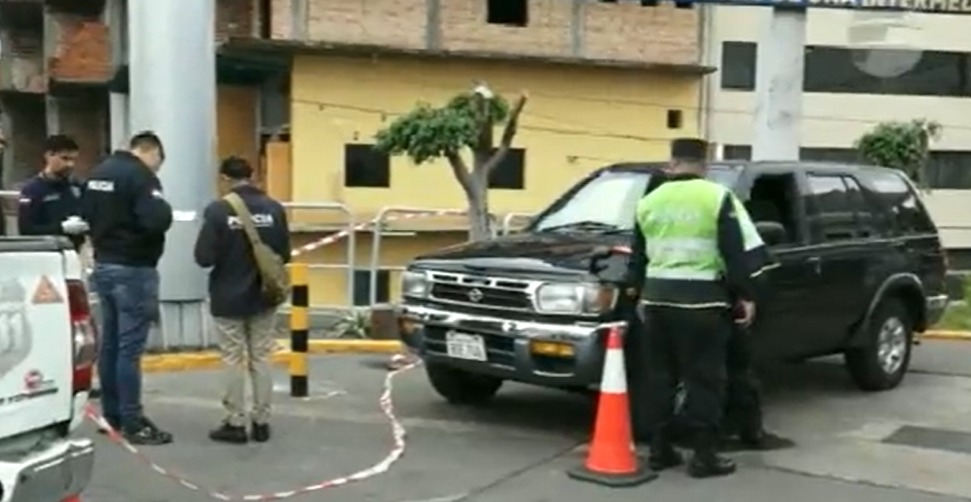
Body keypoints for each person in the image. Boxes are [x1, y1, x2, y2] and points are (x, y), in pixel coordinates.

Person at [636, 138, 763, 478]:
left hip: (657, 302)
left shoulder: (649, 201)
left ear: (672, 162)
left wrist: (640, 296)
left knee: (661, 378)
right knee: (705, 380)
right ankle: (704, 456)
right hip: (703, 303)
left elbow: (638, 256)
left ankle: (660, 451)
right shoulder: (716, 197)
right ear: (704, 165)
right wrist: (744, 296)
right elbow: (734, 253)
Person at [81, 131, 173, 445]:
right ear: (152, 152)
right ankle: (133, 420)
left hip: (104, 264)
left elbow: (86, 215)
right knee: (129, 349)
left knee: (110, 345)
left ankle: (112, 415)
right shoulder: (140, 176)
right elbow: (157, 219)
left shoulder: (98, 172)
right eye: (158, 162)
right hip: (133, 268)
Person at [194, 156, 290, 444]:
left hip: (227, 297)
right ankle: (262, 421)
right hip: (264, 296)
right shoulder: (274, 209)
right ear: (254, 176)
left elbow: (203, 258)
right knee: (261, 356)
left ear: (224, 179)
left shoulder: (218, 210)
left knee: (233, 358)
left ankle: (235, 422)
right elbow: (284, 255)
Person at [17, 135, 87, 249]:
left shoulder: (76, 186)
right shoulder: (33, 190)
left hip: (74, 252)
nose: (70, 165)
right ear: (49, 155)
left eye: (73, 159)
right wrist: (61, 228)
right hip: (47, 253)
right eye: (65, 158)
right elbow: (26, 229)